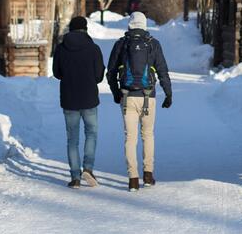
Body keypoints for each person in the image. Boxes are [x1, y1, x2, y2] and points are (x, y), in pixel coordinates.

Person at [107, 11, 172, 191]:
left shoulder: (121, 44)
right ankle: (148, 175)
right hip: (148, 96)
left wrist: (115, 93)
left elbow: (110, 72)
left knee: (130, 138)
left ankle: (133, 179)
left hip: (127, 97)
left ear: (129, 25)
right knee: (148, 135)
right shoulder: (153, 44)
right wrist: (168, 94)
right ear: (144, 25)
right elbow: (162, 71)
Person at [52, 16, 104, 189]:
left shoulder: (61, 48)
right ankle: (88, 168)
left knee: (72, 139)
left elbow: (57, 73)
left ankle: (75, 177)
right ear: (85, 29)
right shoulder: (94, 49)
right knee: (91, 133)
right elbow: (98, 76)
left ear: (71, 29)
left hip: (69, 99)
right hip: (89, 99)